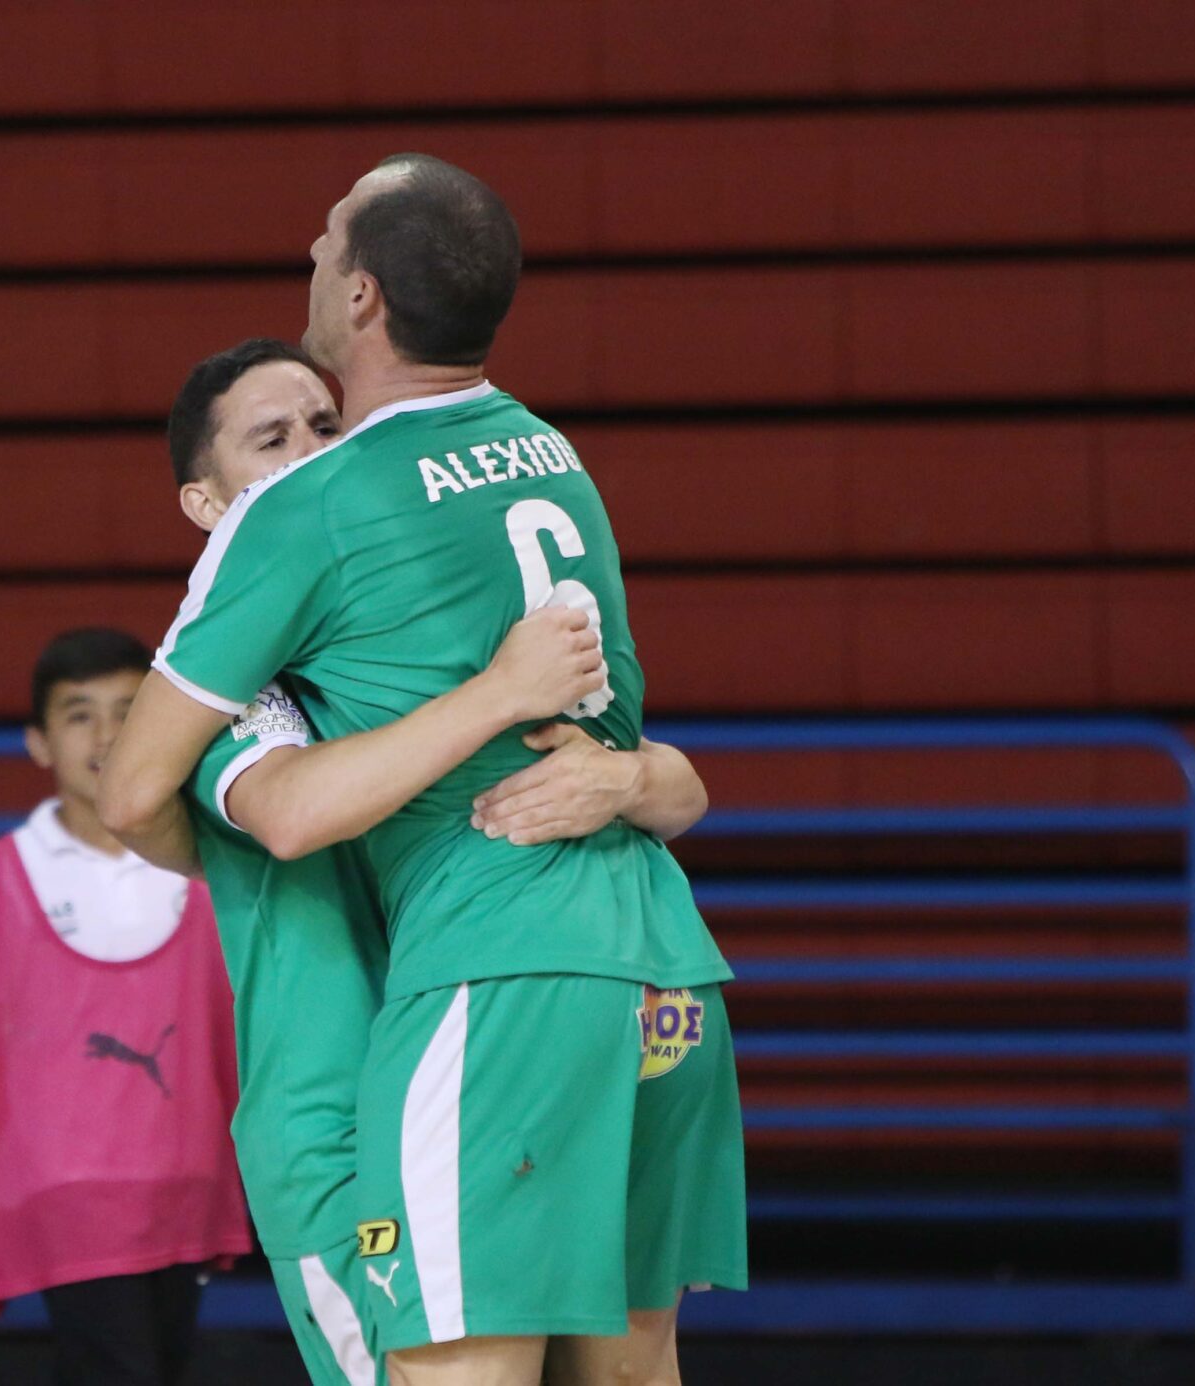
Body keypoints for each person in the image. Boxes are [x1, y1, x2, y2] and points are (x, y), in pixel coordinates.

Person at [101, 158, 747, 1386]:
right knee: (629, 1366)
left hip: (489, 980)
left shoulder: (303, 522)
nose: (308, 242)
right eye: (268, 436)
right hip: (660, 963)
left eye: (325, 237)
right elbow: (625, 749)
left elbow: (141, 793)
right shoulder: (552, 454)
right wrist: (630, 774)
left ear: (359, 297)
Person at [0, 629, 253, 1386]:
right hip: (67, 1190)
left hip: (184, 1182)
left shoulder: (212, 860)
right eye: (79, 714)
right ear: (38, 742)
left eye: (129, 711)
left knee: (158, 1366)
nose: (105, 735)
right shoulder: (2, 872)